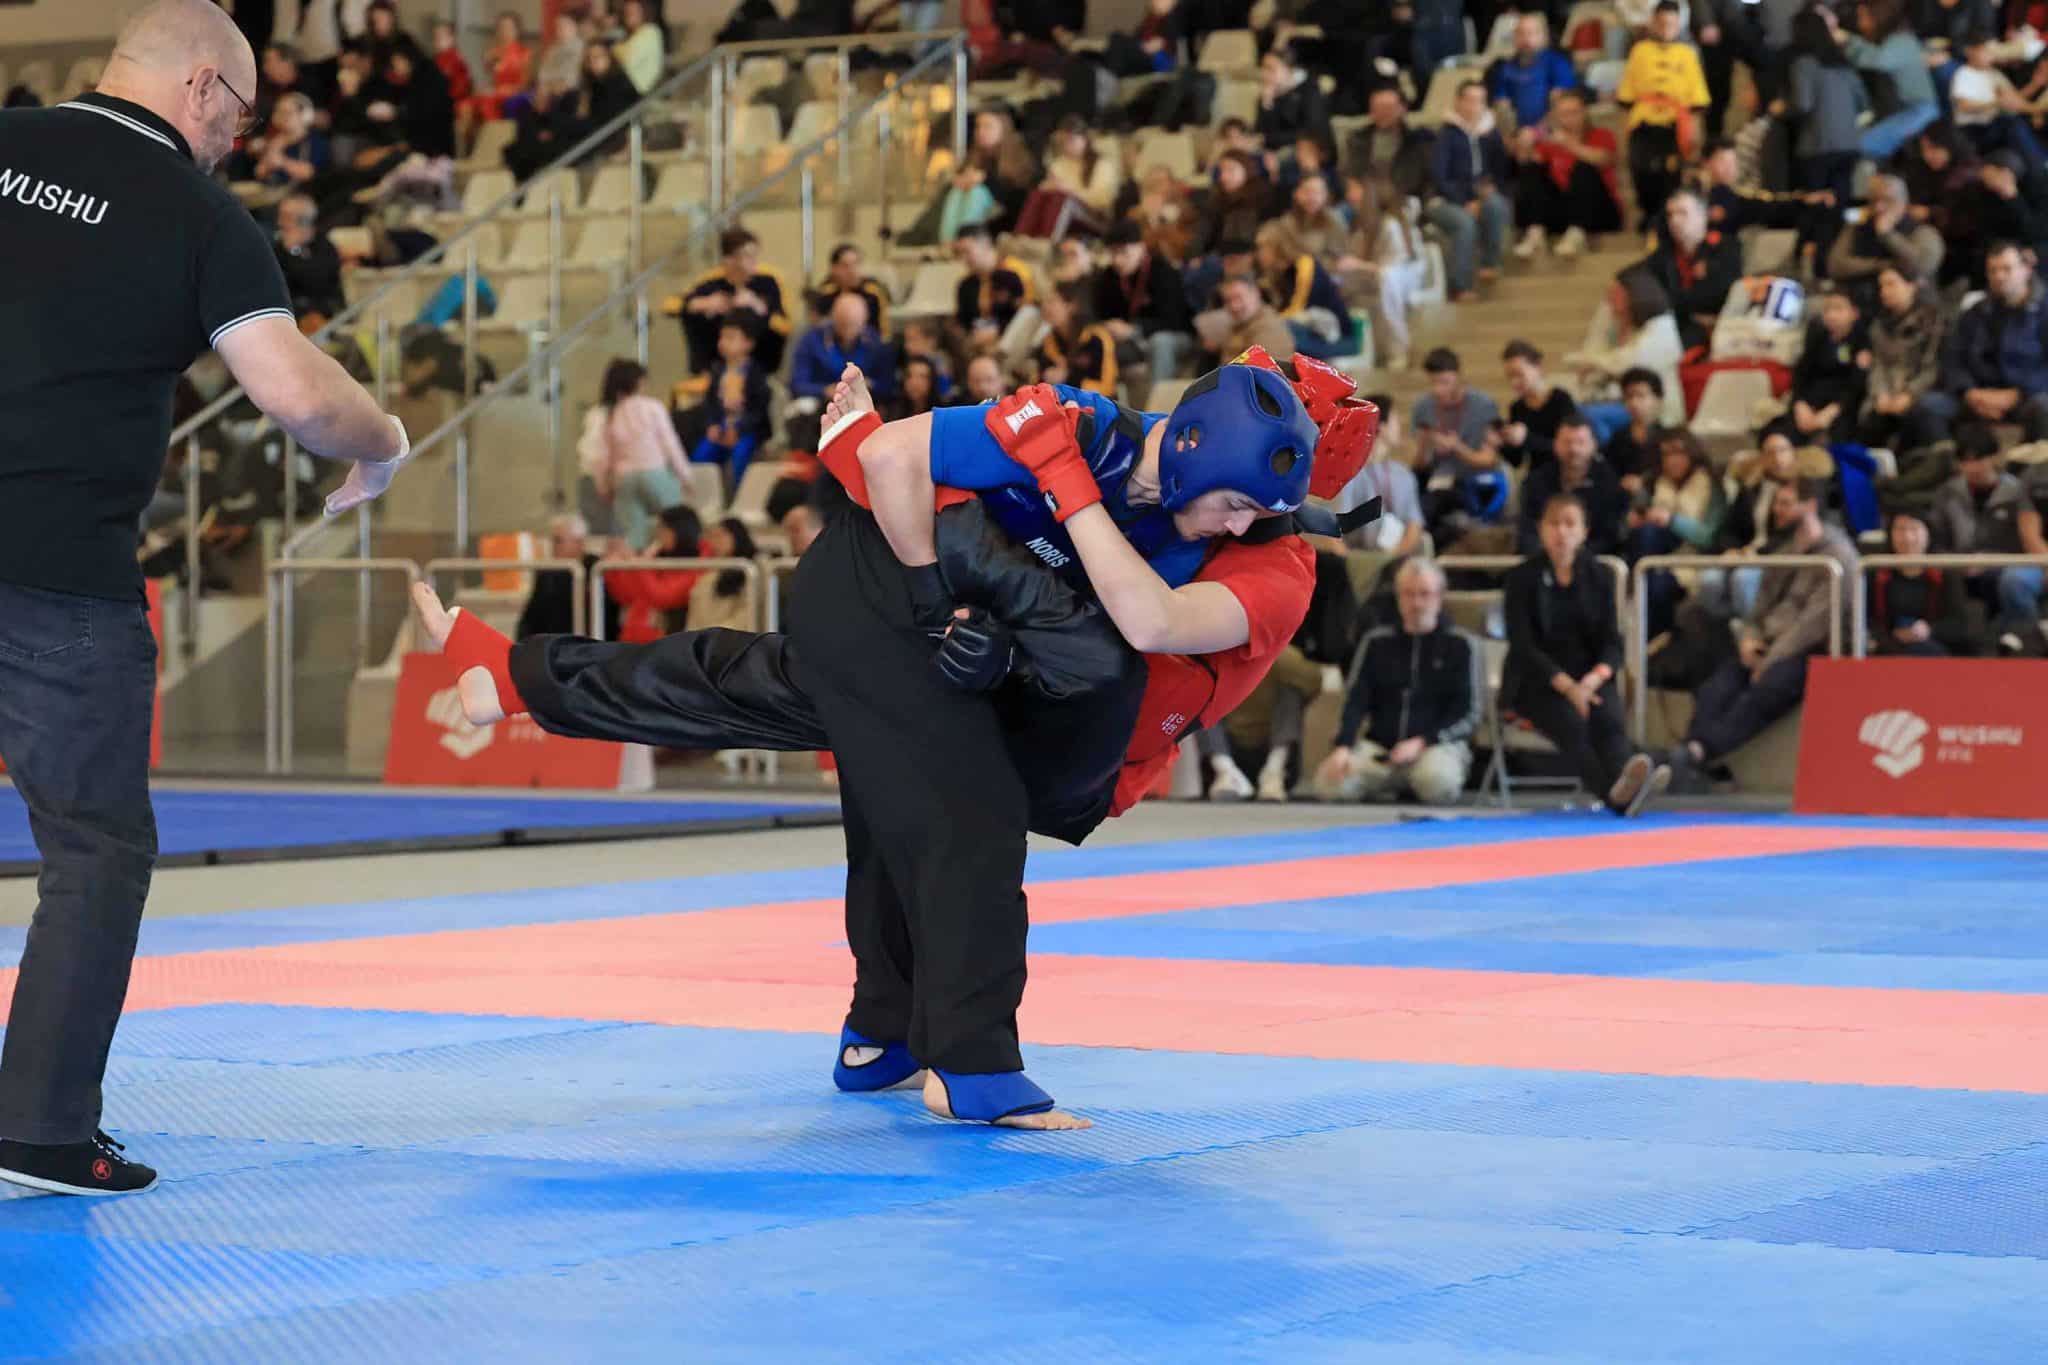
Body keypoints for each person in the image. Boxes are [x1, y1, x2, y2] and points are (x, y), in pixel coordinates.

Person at [414, 350, 1378, 1129]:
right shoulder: (1089, 427)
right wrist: (921, 571)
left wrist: (1039, 500)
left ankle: (518, 680)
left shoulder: (1267, 563)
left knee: (787, 704)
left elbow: (1148, 622)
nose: (1243, 518)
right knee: (963, 806)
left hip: (1040, 706)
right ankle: (969, 1063)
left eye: (1263, 503)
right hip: (893, 595)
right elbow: (892, 470)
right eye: (1241, 498)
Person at [0, 0, 411, 1197]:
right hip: (57, 569)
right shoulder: (198, 214)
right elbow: (298, 394)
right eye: (240, 113)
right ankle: (37, 1131)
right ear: (200, 87)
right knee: (93, 846)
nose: (239, 137)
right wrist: (383, 441)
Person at [1665, 477, 1858, 789]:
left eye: (1786, 503)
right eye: (1776, 503)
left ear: (1810, 506)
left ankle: (1698, 752)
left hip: (1812, 649)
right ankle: (1693, 756)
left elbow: (1813, 624)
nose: (1776, 510)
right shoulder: (1786, 550)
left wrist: (1770, 660)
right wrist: (1749, 638)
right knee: (1716, 687)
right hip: (1768, 642)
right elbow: (1760, 606)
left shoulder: (1839, 557)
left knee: (1765, 691)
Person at [1504, 494, 1670, 816]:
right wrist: (1569, 688)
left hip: (1589, 678)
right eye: (1554, 523)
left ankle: (1629, 783)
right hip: (1538, 682)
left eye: (1570, 524)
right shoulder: (1521, 578)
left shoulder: (1600, 576)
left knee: (1609, 718)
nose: (1561, 532)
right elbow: (1523, 646)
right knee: (1573, 725)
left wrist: (1592, 681)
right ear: (1541, 530)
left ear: (1584, 531)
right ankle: (1617, 797)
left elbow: (1612, 643)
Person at [1314, 559, 1481, 804]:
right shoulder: (1376, 642)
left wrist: (1423, 742)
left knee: (1436, 783)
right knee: (1328, 784)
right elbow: (1355, 701)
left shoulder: (1461, 645)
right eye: (1409, 594)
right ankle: (1393, 782)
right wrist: (1343, 747)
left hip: (1435, 746)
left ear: (1439, 597)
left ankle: (1413, 782)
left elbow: (1468, 713)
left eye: (1424, 594)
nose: (1417, 603)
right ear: (1398, 597)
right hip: (1381, 749)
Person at [1911, 241, 2048, 447]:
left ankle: (2028, 464)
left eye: (2007, 269)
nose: (1999, 276)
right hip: (1976, 395)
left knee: (2044, 408)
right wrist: (1970, 393)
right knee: (1927, 406)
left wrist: (2017, 394)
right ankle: (1944, 459)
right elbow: (1953, 359)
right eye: (1993, 270)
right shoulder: (1975, 313)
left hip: (2027, 396)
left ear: (2026, 270)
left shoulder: (2044, 311)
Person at [1929, 424, 2044, 653]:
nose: (1972, 467)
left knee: (2013, 583)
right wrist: (1957, 563)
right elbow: (1936, 540)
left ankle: (2027, 645)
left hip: (2002, 566)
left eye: (1979, 459)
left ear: (1994, 458)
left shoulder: (2016, 492)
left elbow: (2023, 544)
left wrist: (1988, 561)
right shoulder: (1947, 493)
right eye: (1965, 461)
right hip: (1956, 568)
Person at [1617, 2, 1709, 235]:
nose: (1666, 28)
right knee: (1641, 169)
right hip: (1644, 119)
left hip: (1675, 121)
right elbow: (1627, 95)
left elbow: (1697, 100)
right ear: (1653, 23)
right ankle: (1648, 213)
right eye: (1662, 23)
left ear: (1678, 25)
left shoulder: (1688, 54)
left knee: (1672, 172)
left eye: (1671, 23)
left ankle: (1666, 217)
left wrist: (1695, 132)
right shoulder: (1640, 51)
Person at [580, 359, 691, 549]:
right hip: (654, 472)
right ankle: (676, 557)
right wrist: (686, 476)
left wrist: (603, 486)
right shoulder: (652, 408)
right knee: (676, 523)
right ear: (640, 383)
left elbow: (603, 456)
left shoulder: (612, 414)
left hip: (624, 479)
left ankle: (637, 561)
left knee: (633, 535)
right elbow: (670, 445)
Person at [1511, 88, 1624, 260]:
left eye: (1574, 112)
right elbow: (1527, 163)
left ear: (1584, 112)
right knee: (1531, 169)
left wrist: (1569, 144)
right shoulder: (1550, 141)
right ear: (1556, 116)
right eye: (1564, 114)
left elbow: (1604, 159)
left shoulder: (1601, 135)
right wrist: (1524, 144)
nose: (1570, 118)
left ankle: (1576, 234)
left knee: (1584, 167)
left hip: (1599, 211)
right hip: (1563, 212)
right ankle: (1535, 233)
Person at [1426, 80, 1514, 301]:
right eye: (1469, 100)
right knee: (1464, 223)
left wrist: (1488, 191)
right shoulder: (1446, 135)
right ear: (1458, 102)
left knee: (1496, 205)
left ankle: (1490, 264)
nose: (1474, 106)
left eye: (1479, 101)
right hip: (1445, 199)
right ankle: (1460, 285)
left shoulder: (1491, 134)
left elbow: (1500, 172)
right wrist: (1464, 201)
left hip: (1480, 195)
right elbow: (1439, 176)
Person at [669, 226, 793, 374]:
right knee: (695, 315)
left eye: (755, 255)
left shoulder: (767, 282)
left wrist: (758, 306)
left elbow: (785, 325)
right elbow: (671, 305)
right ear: (729, 259)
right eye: (747, 256)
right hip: (714, 360)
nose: (754, 261)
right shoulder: (712, 282)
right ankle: (708, 372)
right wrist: (704, 303)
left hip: (759, 361)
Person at [1785, 6, 1869, 210]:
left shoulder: (1804, 64)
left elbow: (1803, 104)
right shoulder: (1843, 62)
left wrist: (1782, 109)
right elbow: (1862, 102)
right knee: (1841, 204)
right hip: (1849, 144)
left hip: (1818, 146)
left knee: (1817, 206)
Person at [1824, 175, 1945, 317]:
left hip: (1913, 312)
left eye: (1887, 200)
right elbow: (1835, 266)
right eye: (1873, 200)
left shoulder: (1923, 232)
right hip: (1862, 307)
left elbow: (1921, 267)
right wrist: (1880, 265)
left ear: (1903, 203)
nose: (1879, 207)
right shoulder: (1857, 227)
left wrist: (1888, 235)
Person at [1639, 187, 1742, 351]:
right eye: (1670, 215)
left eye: (1682, 213)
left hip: (1720, 331)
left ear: (1703, 216)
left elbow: (1723, 293)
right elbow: (1656, 300)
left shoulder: (1726, 247)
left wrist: (1680, 303)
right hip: (1674, 331)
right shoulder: (1660, 258)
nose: (1674, 221)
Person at [1094, 220, 1193, 383]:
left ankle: (1159, 399)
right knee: (1097, 346)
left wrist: (1133, 330)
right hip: (1131, 341)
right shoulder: (1109, 277)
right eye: (1112, 254)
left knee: (1160, 342)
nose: (1117, 260)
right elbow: (1101, 314)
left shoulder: (1163, 272)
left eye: (1123, 252)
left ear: (1141, 247)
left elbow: (1174, 320)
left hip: (1174, 335)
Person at [1861, 265, 1946, 450]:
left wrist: (1909, 394)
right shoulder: (1878, 326)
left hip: (1920, 391)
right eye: (1881, 286)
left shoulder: (1932, 321)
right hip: (1888, 392)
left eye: (1891, 284)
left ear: (1911, 286)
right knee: (1870, 420)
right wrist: (1881, 393)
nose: (1884, 291)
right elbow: (1878, 365)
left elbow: (1932, 367)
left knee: (1920, 414)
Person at [1868, 510, 1976, 656]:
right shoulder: (1875, 572)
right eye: (1900, 529)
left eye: (1914, 529)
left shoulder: (1946, 573)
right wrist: (1890, 638)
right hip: (1888, 647)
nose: (1907, 537)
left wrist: (1929, 629)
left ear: (1928, 533)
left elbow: (1959, 624)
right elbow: (1867, 621)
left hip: (1934, 647)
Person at [1517, 415, 1626, 558]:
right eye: (1567, 442)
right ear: (1556, 444)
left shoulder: (1609, 482)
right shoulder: (1536, 481)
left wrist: (1574, 557)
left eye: (1580, 442)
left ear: (1594, 445)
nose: (1573, 449)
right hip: (1541, 559)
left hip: (1595, 561)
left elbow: (1610, 536)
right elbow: (1527, 529)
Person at [1844, 0, 1937, 161]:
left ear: (1878, 17)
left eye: (1863, 17)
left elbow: (1877, 60)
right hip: (1905, 111)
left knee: (1862, 144)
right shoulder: (1895, 40)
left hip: (1920, 111)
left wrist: (1849, 40)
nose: (1859, 22)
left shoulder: (1900, 40)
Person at [1255, 222, 1360, 360]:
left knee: (1283, 328)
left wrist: (1270, 322)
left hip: (1337, 338)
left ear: (1278, 247)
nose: (1259, 254)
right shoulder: (1276, 274)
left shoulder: (1306, 265)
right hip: (1309, 333)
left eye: (1263, 248)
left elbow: (1297, 308)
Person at [1789, 289, 1872, 445]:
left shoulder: (1862, 342)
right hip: (1809, 404)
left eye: (1838, 308)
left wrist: (1830, 412)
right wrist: (1800, 404)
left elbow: (1856, 387)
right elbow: (1800, 376)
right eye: (1827, 309)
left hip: (1841, 410)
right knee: (1779, 436)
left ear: (1854, 313)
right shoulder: (1817, 337)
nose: (1831, 315)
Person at [792, 292, 897, 403]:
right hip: (822, 401)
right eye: (843, 324)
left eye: (853, 324)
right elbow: (798, 384)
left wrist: (870, 384)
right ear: (833, 318)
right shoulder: (812, 340)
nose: (848, 331)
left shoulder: (876, 343)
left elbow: (888, 385)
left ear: (864, 321)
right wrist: (824, 390)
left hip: (863, 402)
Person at [1488, 11, 1577, 132]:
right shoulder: (1505, 67)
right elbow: (1502, 104)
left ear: (1543, 36)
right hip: (1518, 134)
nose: (1526, 39)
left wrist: (1537, 132)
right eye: (1521, 33)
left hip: (1552, 132)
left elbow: (1562, 104)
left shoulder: (1557, 63)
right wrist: (1512, 134)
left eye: (1531, 33)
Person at [1500, 339, 1577, 472]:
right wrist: (1502, 442)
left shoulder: (1560, 399)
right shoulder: (1517, 407)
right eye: (1510, 377)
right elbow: (1516, 461)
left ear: (1538, 367)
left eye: (1519, 374)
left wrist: (1527, 438)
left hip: (1564, 471)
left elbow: (1568, 446)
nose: (1514, 382)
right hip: (1537, 475)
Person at [952, 221, 1037, 341]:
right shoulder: (965, 284)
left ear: (986, 244)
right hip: (977, 342)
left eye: (967, 251)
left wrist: (998, 331)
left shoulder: (1014, 272)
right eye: (959, 253)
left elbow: (1028, 315)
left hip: (1013, 339)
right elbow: (963, 322)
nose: (963, 258)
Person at [272, 192, 345, 321]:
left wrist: (293, 251)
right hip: (289, 314)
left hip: (324, 311)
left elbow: (316, 283)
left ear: (304, 221)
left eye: (286, 217)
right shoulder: (277, 248)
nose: (279, 222)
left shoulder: (324, 245)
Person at [1604, 366, 1668, 493]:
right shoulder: (1618, 438)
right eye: (1629, 396)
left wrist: (1644, 482)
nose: (1634, 403)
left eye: (1641, 396)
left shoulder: (1668, 437)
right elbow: (1608, 472)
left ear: (1658, 400)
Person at [809, 243, 890, 336]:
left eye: (856, 264)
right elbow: (817, 327)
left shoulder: (873, 291)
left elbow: (884, 332)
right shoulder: (825, 291)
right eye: (845, 266)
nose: (852, 270)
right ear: (834, 269)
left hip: (868, 341)